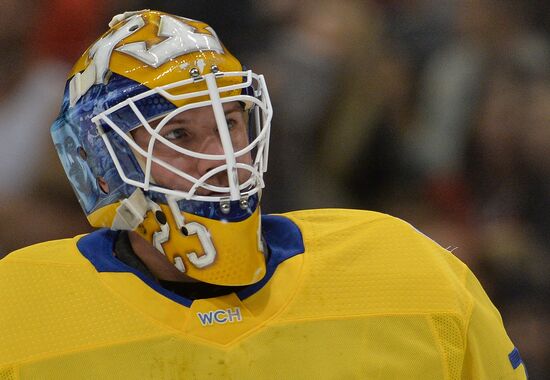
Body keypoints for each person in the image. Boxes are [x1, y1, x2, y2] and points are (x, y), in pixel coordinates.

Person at [0, 9, 527, 379]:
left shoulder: (407, 268)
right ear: (105, 163)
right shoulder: (18, 308)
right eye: (178, 134)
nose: (221, 156)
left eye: (230, 123)